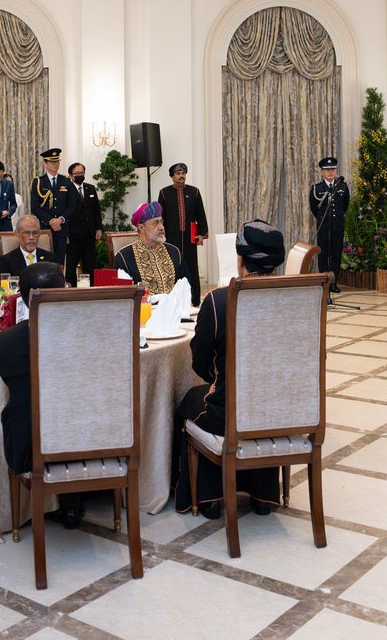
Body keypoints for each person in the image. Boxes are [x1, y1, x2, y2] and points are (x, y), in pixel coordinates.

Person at [173, 220, 285, 518]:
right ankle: (263, 496)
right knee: (258, 403)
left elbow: (199, 360)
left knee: (190, 402)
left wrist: (218, 381)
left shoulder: (219, 301)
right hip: (281, 410)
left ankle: (208, 497)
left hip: (231, 411)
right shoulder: (297, 299)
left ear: (240, 260)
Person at [0, 261, 85, 529]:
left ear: (22, 297)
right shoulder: (88, 333)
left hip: (30, 446)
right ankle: (74, 503)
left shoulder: (6, 342)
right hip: (89, 437)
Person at [157, 163, 209, 306]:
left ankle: (195, 300)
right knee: (172, 267)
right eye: (178, 173)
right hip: (171, 238)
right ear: (172, 176)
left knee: (192, 267)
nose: (181, 175)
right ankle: (173, 301)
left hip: (190, 238)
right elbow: (161, 217)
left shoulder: (194, 192)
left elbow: (201, 214)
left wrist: (201, 234)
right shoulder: (164, 193)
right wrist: (160, 236)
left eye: (183, 173)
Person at [112, 202, 184, 294]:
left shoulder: (174, 252)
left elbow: (187, 286)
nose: (161, 227)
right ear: (142, 228)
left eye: (161, 222)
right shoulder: (124, 257)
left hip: (174, 303)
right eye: (156, 223)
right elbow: (120, 294)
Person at [29, 148, 79, 264]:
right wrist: (51, 221)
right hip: (45, 229)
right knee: (45, 262)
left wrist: (60, 219)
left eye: (57, 161)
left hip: (62, 229)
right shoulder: (38, 182)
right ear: (45, 164)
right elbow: (35, 207)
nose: (55, 164)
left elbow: (72, 205)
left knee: (59, 262)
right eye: (52, 162)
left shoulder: (66, 181)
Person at [309, 156, 350, 293]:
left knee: (336, 255)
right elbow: (314, 209)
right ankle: (324, 282)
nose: (330, 172)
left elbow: (345, 206)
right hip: (323, 227)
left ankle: (333, 283)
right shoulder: (316, 188)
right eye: (327, 170)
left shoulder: (342, 187)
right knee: (323, 255)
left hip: (337, 227)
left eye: (332, 169)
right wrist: (324, 220)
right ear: (322, 172)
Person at [64, 162, 103, 287]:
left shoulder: (90, 188)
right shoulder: (66, 190)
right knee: (71, 266)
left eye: (82, 173)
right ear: (71, 175)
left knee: (89, 264)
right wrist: (65, 233)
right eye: (77, 173)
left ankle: (90, 290)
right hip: (73, 235)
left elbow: (96, 210)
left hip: (89, 233)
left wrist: (98, 228)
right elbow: (63, 213)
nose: (80, 175)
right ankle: (71, 290)